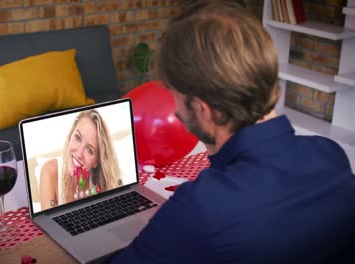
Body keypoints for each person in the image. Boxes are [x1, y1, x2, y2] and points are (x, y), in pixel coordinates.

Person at [110, 1, 355, 263]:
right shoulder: (331, 156)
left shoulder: (201, 208)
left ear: (203, 109)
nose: (175, 110)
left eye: (174, 95)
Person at [39, 109, 121, 210]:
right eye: (77, 137)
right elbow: (48, 223)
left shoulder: (99, 184)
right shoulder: (50, 170)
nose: (79, 153)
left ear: (96, 161)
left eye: (89, 150)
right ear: (70, 136)